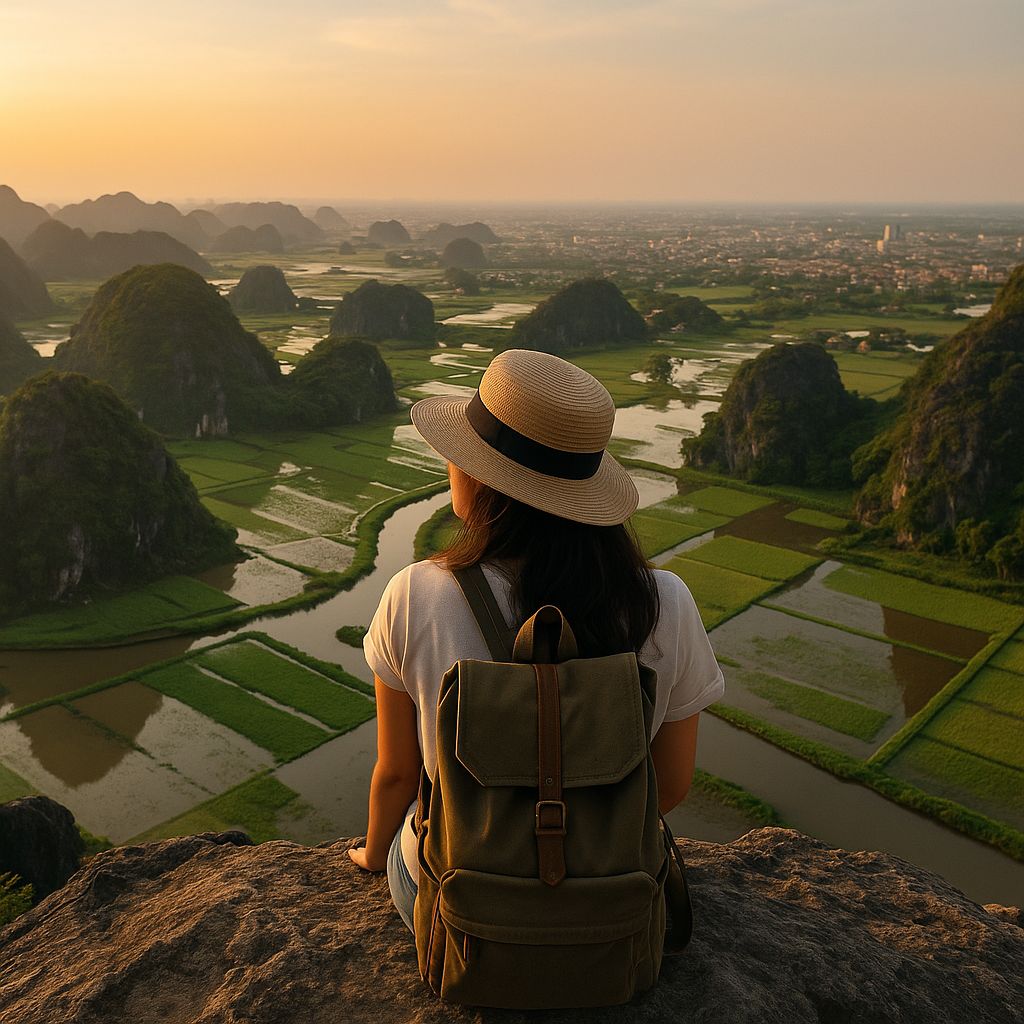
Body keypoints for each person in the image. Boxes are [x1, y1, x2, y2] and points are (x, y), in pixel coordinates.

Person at [348, 348, 725, 932]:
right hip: (608, 898)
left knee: (413, 844)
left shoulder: (414, 593)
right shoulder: (664, 601)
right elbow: (669, 784)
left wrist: (374, 856)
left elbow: (398, 775)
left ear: (478, 475)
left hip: (461, 901)